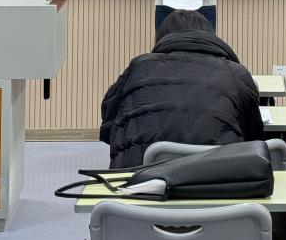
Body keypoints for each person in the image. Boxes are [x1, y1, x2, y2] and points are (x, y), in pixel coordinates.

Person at [99, 9, 264, 169]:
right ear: (209, 35)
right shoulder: (235, 73)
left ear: (161, 37)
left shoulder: (138, 67)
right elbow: (254, 134)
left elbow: (108, 123)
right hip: (218, 180)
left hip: (140, 179)